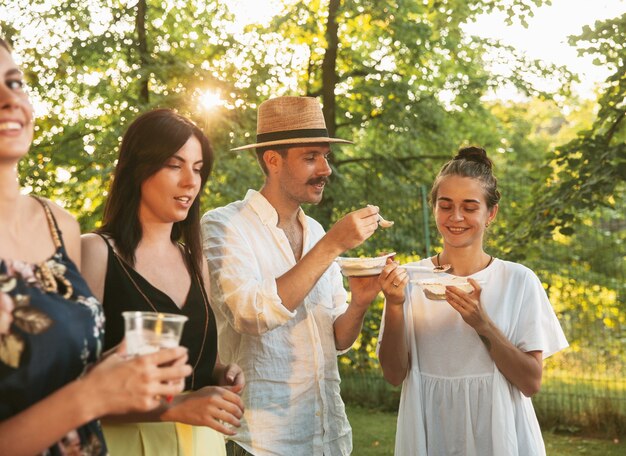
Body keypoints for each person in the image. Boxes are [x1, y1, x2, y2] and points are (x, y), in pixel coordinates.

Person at [0, 38, 191, 455]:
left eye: (14, 83)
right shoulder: (97, 246)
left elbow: (60, 383)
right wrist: (93, 396)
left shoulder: (58, 225)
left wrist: (113, 372)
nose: (8, 100)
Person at [201, 96, 384, 455]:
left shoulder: (316, 233)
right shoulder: (223, 225)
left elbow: (337, 338)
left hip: (327, 437)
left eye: (326, 156)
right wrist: (333, 245)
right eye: (310, 157)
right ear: (273, 160)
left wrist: (362, 300)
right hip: (262, 442)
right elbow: (251, 315)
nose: (326, 169)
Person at [377, 146, 569, 455]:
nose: (456, 217)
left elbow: (531, 383)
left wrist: (482, 324)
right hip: (431, 430)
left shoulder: (519, 281)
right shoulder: (407, 279)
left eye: (469, 206)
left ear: (490, 213)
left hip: (499, 433)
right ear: (434, 208)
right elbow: (394, 375)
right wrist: (395, 305)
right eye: (445, 205)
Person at [81, 108, 246, 455]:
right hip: (124, 443)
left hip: (201, 444)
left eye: (198, 169)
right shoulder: (95, 252)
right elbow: (75, 385)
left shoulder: (193, 259)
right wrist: (175, 408)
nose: (191, 181)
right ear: (138, 169)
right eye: (175, 165)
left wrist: (220, 373)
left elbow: (199, 358)